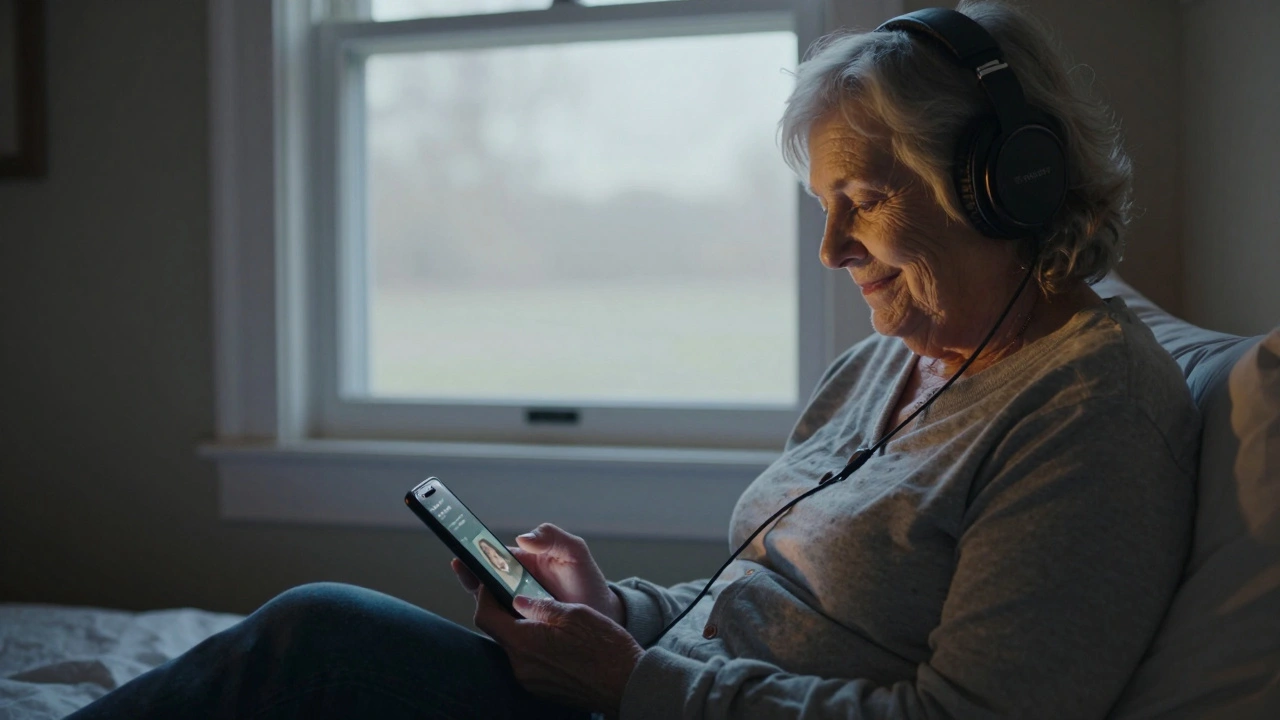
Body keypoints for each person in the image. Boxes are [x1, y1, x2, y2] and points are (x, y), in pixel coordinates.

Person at [68, 2, 1197, 718]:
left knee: (315, 638)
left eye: (861, 200)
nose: (829, 248)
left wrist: (630, 680)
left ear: (1005, 180)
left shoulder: (1090, 408)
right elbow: (755, 610)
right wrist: (619, 612)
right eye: (821, 206)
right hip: (639, 699)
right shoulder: (883, 367)